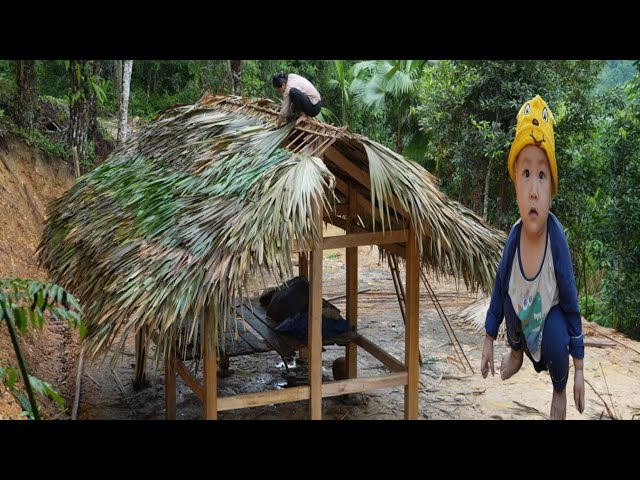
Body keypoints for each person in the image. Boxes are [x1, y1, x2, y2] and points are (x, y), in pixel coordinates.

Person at [480, 95, 585, 420]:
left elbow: (570, 304)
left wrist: (578, 368)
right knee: (510, 292)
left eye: (542, 176)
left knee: (557, 339)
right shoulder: (513, 239)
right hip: (520, 321)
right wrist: (488, 339)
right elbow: (499, 291)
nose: (534, 190)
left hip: (547, 319)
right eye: (526, 174)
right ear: (515, 184)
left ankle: (558, 388)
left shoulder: (557, 242)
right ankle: (516, 352)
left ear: (552, 188)